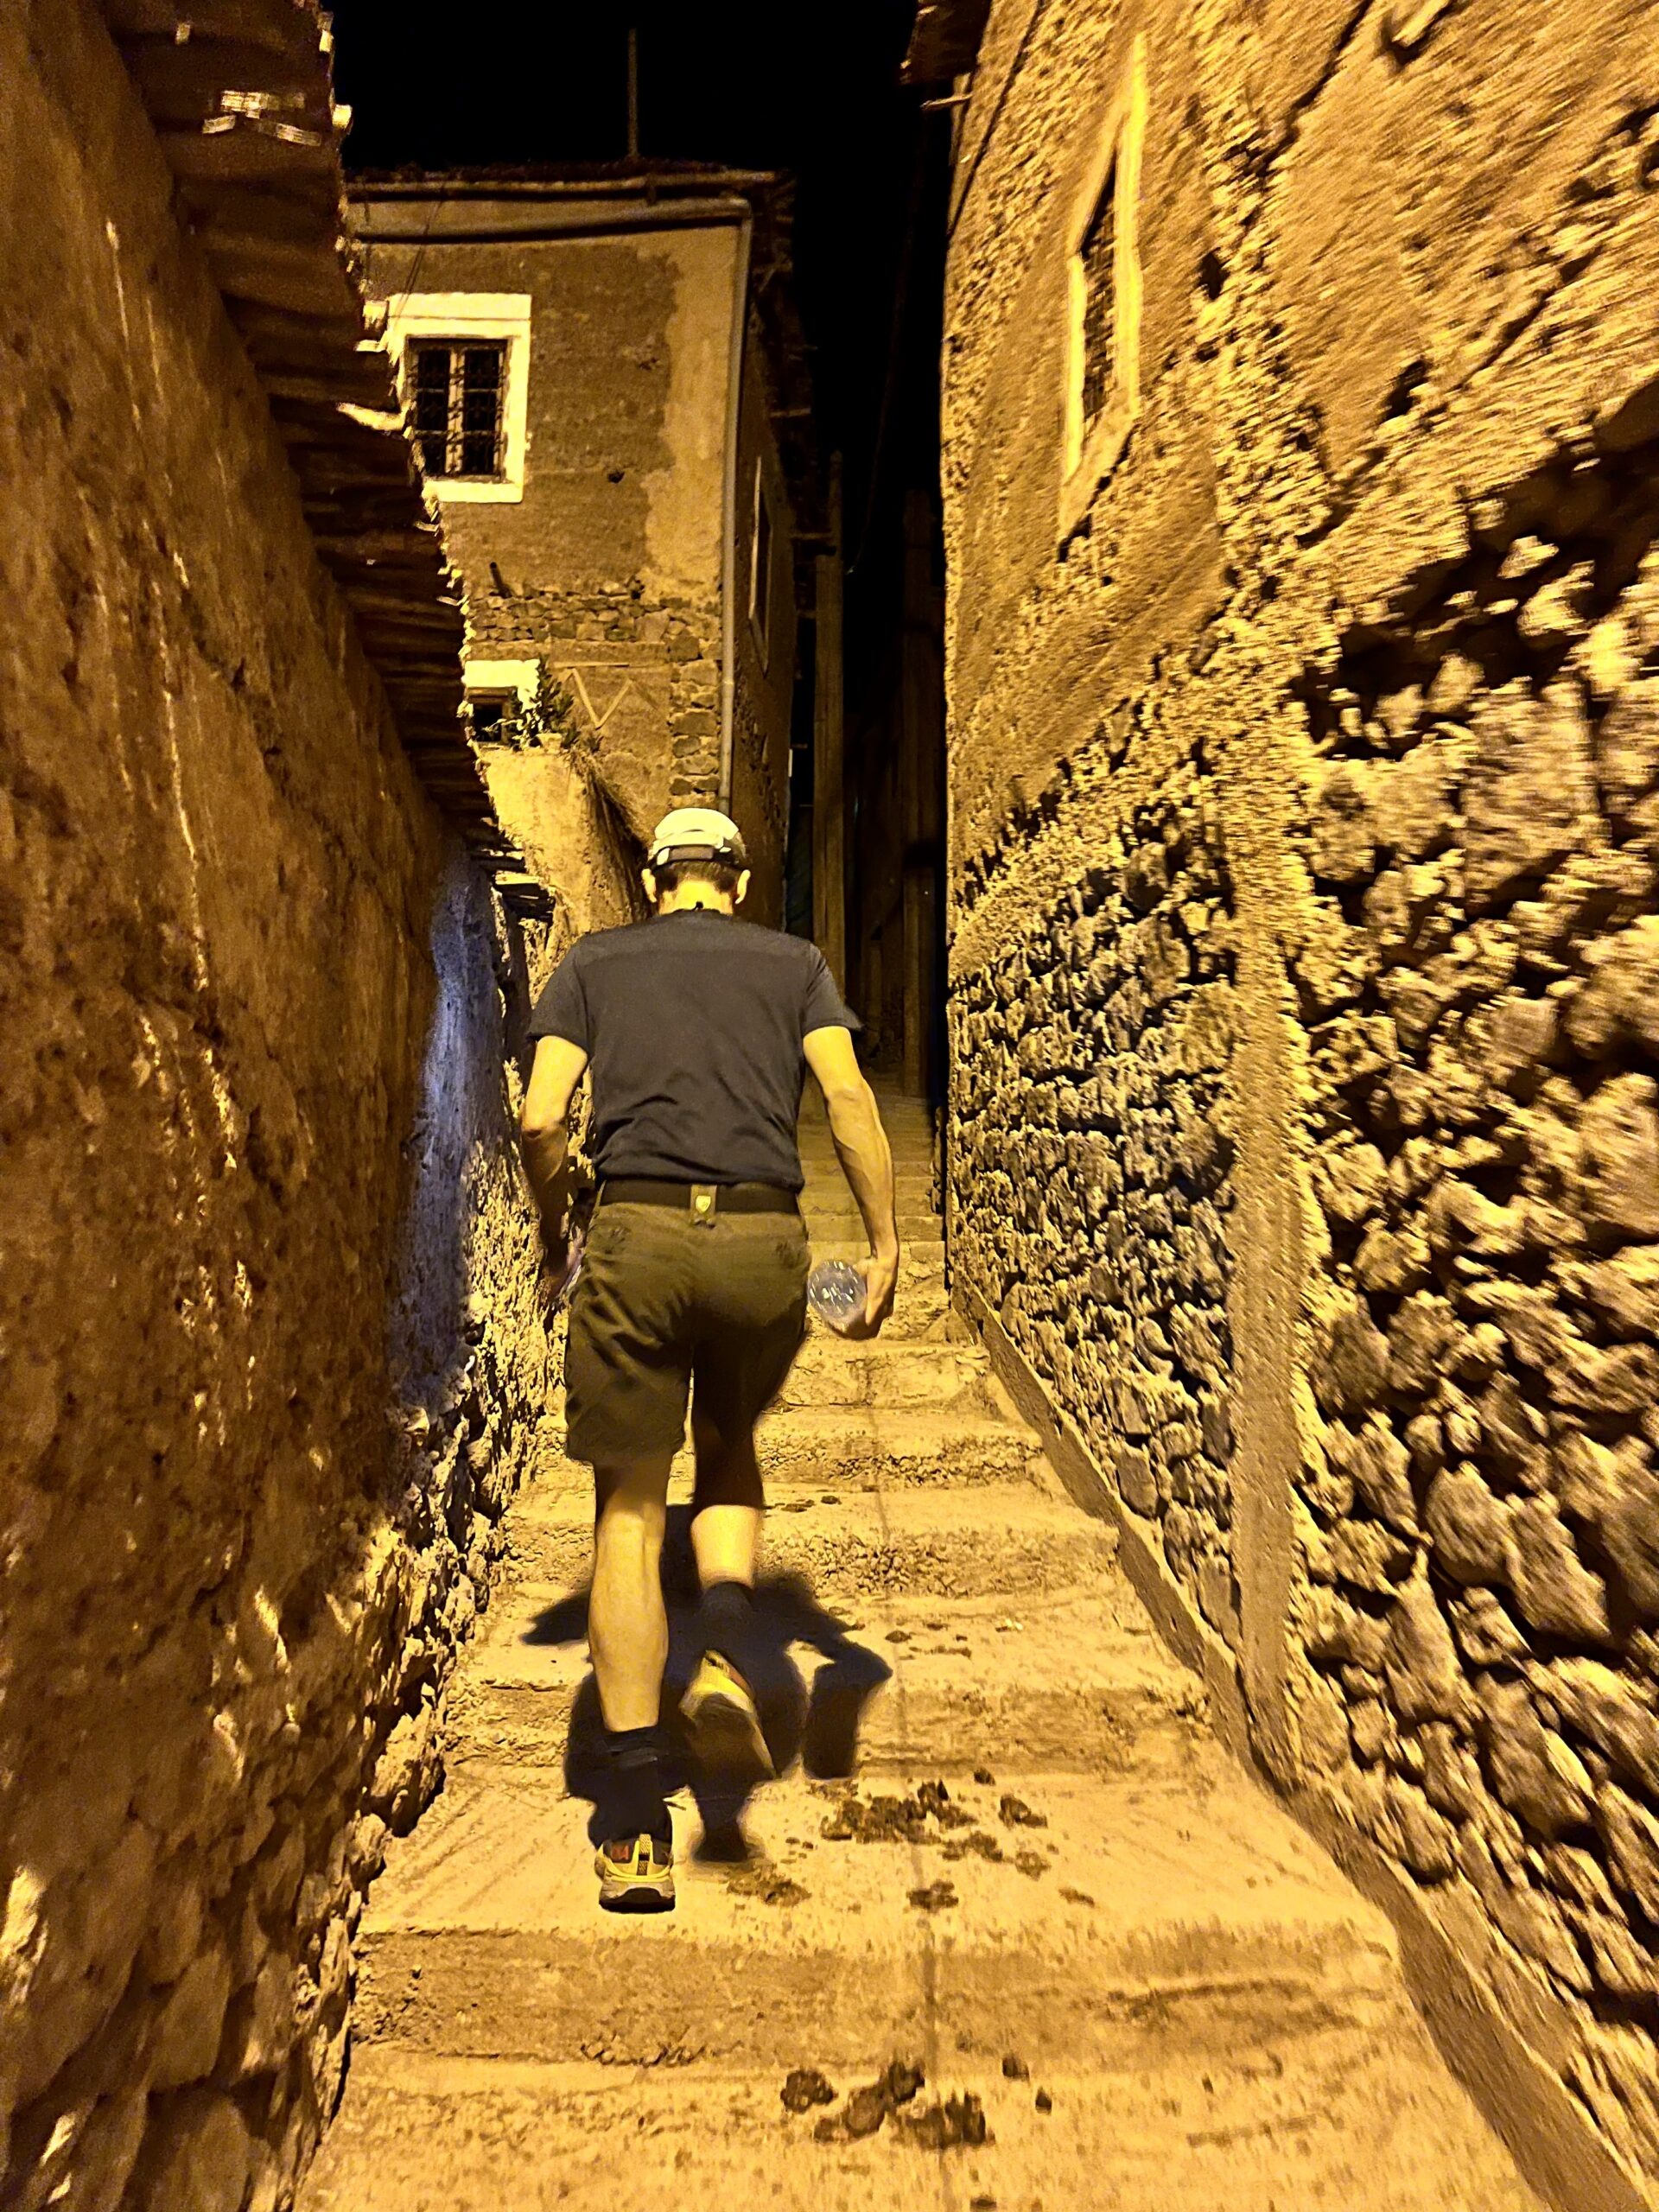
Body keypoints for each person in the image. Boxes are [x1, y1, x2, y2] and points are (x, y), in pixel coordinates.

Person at [518, 807, 900, 1912]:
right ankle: (727, 1650)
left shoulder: (594, 961)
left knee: (630, 1513)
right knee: (727, 1448)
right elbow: (848, 1102)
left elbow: (543, 1121)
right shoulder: (795, 965)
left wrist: (557, 1234)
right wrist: (881, 1248)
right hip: (764, 1243)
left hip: (634, 1234)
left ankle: (636, 1828)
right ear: (735, 881)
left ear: (653, 878)